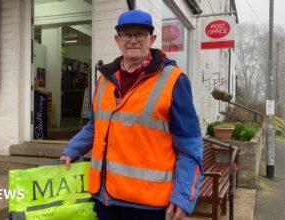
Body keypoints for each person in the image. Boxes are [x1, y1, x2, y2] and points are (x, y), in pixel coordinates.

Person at [60, 9, 203, 220]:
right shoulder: (105, 79)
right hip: (105, 198)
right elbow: (94, 126)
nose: (133, 40)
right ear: (117, 40)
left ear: (152, 39)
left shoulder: (174, 80)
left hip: (147, 206)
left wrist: (183, 195)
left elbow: (189, 145)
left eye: (140, 34)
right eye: (127, 34)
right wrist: (72, 150)